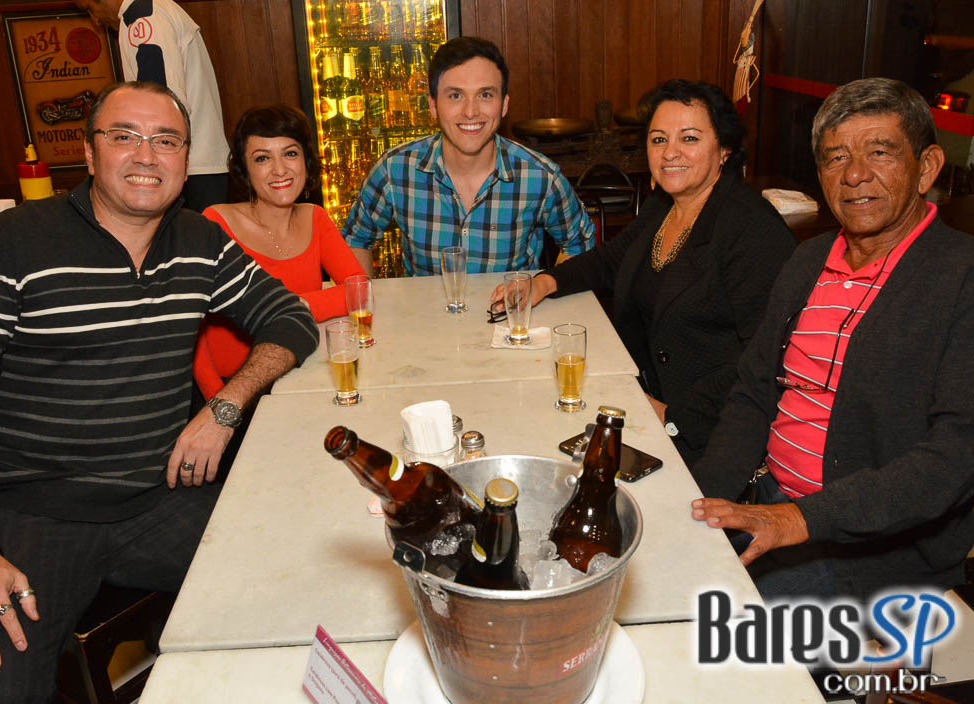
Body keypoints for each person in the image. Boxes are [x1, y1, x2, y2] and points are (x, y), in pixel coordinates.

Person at [0, 81, 318, 703]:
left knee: (306, 584)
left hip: (159, 498)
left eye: (166, 141)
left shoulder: (199, 242)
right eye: (124, 136)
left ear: (186, 160)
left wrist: (224, 407)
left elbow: (290, 318)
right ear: (89, 151)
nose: (146, 155)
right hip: (34, 512)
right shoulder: (9, 244)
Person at [691, 77, 974, 602]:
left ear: (927, 168)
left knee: (708, 632)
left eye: (880, 152)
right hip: (770, 501)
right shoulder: (808, 260)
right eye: (835, 157)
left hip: (875, 550)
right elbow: (753, 394)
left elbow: (955, 456)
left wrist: (800, 518)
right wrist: (704, 502)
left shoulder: (961, 276)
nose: (855, 174)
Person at [494, 80, 797, 465]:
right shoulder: (664, 205)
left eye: (689, 138)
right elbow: (609, 260)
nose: (670, 153)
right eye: (658, 140)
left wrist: (671, 416)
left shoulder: (751, 230)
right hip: (643, 400)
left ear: (724, 149)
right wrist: (545, 281)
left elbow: (765, 358)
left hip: (711, 433)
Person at [341, 36, 596, 276]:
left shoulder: (540, 176)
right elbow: (355, 240)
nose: (471, 112)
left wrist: (547, 289)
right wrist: (363, 304)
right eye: (455, 96)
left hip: (511, 310)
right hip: (425, 310)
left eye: (485, 95)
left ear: (504, 104)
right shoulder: (394, 169)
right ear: (433, 106)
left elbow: (580, 242)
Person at [193, 103, 365, 401]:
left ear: (306, 160)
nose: (280, 169)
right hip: (232, 389)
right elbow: (193, 327)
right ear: (244, 170)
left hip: (302, 377)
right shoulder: (216, 223)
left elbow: (358, 289)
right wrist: (218, 404)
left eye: (290, 153)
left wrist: (288, 307)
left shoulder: (315, 217)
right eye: (262, 158)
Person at [62, 0, 229, 211]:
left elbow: (158, 104)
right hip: (196, 163)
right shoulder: (157, 7)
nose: (95, 20)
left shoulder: (143, 18)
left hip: (184, 170)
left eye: (89, 8)